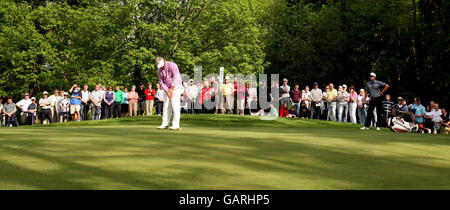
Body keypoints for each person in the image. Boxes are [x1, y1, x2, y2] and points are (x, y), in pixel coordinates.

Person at [155, 57, 183, 130]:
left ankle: (176, 125)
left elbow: (177, 77)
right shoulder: (159, 70)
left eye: (162, 65)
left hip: (176, 86)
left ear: (164, 61)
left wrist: (172, 89)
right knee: (166, 106)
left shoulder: (172, 65)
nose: (161, 67)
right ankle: (165, 124)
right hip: (166, 88)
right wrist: (167, 91)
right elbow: (161, 82)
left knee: (175, 105)